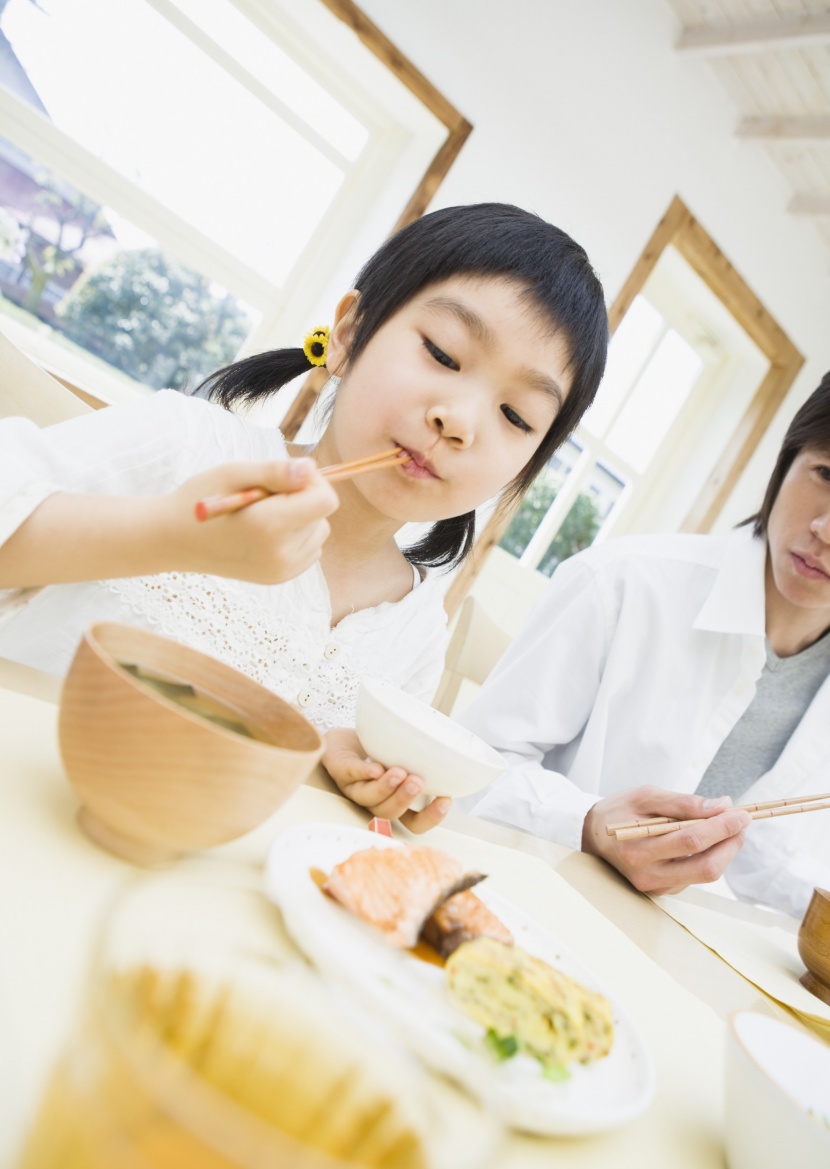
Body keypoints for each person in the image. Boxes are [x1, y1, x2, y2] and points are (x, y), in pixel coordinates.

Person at [0, 202, 608, 831]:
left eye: (516, 417)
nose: (458, 421)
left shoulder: (417, 626)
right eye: (444, 355)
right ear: (349, 333)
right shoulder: (187, 447)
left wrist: (337, 771)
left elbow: (321, 821)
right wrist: (173, 537)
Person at [458, 371, 830, 917]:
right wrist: (586, 822)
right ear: (787, 460)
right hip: (528, 911)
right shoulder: (620, 583)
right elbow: (465, 770)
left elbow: (771, 857)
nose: (826, 529)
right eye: (826, 474)